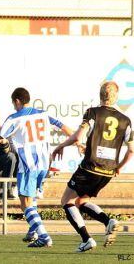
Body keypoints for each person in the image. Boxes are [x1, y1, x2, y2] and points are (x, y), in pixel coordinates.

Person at [0, 87, 73, 248]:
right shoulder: (42, 114)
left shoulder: (14, 118)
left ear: (17, 101)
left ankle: (44, 236)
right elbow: (64, 127)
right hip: (44, 165)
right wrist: (78, 142)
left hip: (28, 166)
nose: (14, 106)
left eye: (14, 103)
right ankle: (33, 231)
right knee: (32, 197)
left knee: (24, 203)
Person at [52, 81, 134, 252]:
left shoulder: (93, 113)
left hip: (89, 167)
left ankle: (87, 239)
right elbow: (132, 150)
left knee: (66, 201)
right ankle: (108, 221)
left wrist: (61, 146)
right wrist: (119, 166)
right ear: (116, 96)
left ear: (100, 94)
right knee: (82, 201)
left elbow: (77, 137)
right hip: (108, 171)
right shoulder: (126, 120)